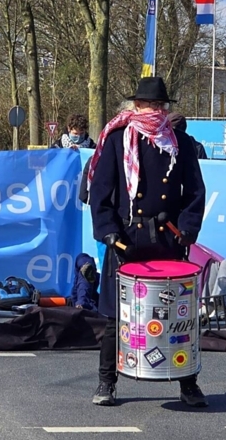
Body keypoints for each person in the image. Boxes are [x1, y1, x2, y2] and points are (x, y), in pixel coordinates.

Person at [88, 76, 207, 408]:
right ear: (135, 106)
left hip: (168, 240)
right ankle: (106, 382)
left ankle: (188, 383)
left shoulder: (181, 143)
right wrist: (108, 231)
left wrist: (187, 229)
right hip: (127, 240)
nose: (154, 110)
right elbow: (100, 193)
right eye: (148, 105)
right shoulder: (117, 140)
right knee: (115, 316)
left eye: (159, 105)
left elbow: (195, 191)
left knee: (179, 316)